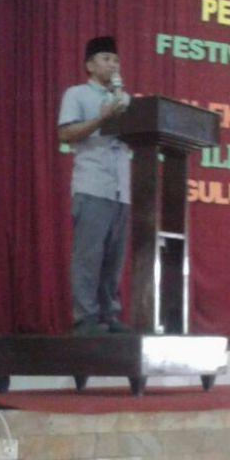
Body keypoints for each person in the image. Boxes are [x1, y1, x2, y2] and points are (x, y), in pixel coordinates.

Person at [58, 36, 133, 334]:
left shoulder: (125, 100)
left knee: (114, 259)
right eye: (106, 59)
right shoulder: (77, 94)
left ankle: (108, 314)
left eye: (116, 60)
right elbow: (66, 134)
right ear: (89, 65)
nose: (112, 65)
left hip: (122, 190)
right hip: (92, 186)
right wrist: (100, 120)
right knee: (88, 257)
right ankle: (86, 318)